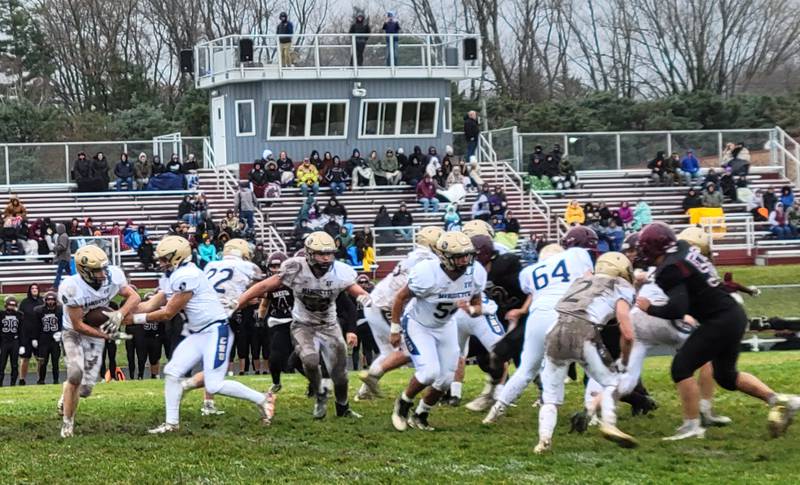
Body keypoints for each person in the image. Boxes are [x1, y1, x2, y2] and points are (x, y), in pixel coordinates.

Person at [635, 222, 800, 440]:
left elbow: (677, 308)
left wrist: (650, 308)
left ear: (653, 248)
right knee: (726, 376)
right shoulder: (683, 249)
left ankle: (692, 426)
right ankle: (778, 400)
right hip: (733, 314)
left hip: (718, 320)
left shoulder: (670, 268)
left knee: (681, 367)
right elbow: (689, 277)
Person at [127, 236, 273, 434]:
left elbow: (168, 313)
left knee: (214, 384)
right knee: (172, 371)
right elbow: (148, 305)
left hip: (215, 331)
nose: (161, 262)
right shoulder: (175, 275)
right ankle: (171, 424)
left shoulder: (189, 275)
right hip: (199, 332)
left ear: (178, 257)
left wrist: (134, 319)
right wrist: (120, 313)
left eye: (165, 258)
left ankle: (263, 399)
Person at [236, 232, 371, 419]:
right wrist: (238, 302)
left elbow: (357, 292)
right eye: (320, 253)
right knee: (309, 359)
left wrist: (369, 301)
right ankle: (320, 394)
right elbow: (264, 287)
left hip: (329, 325)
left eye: (329, 253)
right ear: (308, 253)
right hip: (303, 324)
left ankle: (343, 407)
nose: (326, 258)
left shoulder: (340, 271)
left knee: (340, 375)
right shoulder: (295, 268)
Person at [483, 227, 597, 425]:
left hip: (537, 316)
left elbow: (533, 294)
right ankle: (591, 414)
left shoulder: (530, 271)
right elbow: (589, 282)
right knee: (593, 365)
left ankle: (495, 410)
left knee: (526, 369)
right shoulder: (577, 256)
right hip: (562, 314)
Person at [535, 252, 638, 453]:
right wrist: (626, 356)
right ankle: (608, 423)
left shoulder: (580, 280)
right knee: (613, 382)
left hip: (554, 329)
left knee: (550, 397)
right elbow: (626, 329)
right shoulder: (620, 286)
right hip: (582, 330)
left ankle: (544, 440)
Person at [389, 231, 486, 431]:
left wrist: (471, 310)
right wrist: (395, 329)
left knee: (446, 379)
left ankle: (421, 414)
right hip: (419, 324)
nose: (465, 261)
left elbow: (477, 305)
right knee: (428, 373)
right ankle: (403, 402)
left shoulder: (474, 272)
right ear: (444, 257)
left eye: (467, 255)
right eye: (459, 256)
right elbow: (400, 298)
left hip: (446, 325)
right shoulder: (427, 273)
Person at [57, 245, 141, 437]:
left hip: (96, 329)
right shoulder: (71, 287)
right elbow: (78, 324)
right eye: (97, 270)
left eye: (104, 268)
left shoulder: (113, 275)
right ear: (84, 270)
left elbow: (134, 296)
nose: (103, 273)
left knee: (85, 390)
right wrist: (106, 335)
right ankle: (67, 424)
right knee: (75, 374)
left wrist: (119, 314)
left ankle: (66, 393)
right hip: (74, 332)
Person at [356, 227, 443, 401]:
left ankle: (364, 393)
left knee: (387, 352)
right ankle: (372, 376)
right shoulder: (429, 259)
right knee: (408, 349)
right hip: (386, 306)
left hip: (376, 303)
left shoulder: (415, 255)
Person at [200, 239, 265, 414]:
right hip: (219, 317)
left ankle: (208, 402)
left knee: (210, 362)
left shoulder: (210, 265)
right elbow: (259, 287)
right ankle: (262, 399)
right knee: (214, 368)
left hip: (204, 314)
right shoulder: (247, 267)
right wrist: (248, 299)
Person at [260, 251, 294, 392]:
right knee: (274, 357)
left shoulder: (294, 282)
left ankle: (314, 383)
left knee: (300, 359)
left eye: (278, 266)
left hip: (297, 322)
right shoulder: (270, 285)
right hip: (279, 323)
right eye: (273, 266)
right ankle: (276, 382)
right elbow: (264, 304)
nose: (276, 269)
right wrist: (260, 318)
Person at [34, 291, 62, 384]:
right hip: (44, 339)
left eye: (52, 299)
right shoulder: (39, 310)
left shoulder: (60, 310)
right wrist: (35, 338)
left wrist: (61, 333)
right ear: (45, 300)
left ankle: (56, 380)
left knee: (55, 362)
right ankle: (41, 380)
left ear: (55, 300)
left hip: (55, 340)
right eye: (48, 299)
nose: (50, 301)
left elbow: (64, 323)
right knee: (43, 362)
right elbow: (36, 326)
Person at [18, 284, 43, 386]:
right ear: (29, 290)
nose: (34, 290)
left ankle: (40, 379)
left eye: (36, 288)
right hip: (26, 335)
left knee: (40, 359)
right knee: (25, 359)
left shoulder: (42, 301)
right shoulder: (24, 302)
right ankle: (22, 379)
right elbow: (19, 318)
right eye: (32, 288)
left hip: (39, 335)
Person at [0, 297, 22, 386]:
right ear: (6, 305)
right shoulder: (1, 314)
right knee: (1, 364)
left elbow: (22, 330)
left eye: (13, 305)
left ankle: (13, 384)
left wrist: (22, 344)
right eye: (10, 304)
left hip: (14, 341)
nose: (11, 306)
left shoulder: (19, 315)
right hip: (3, 341)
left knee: (14, 364)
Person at [52, 223, 71, 289]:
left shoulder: (63, 236)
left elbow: (63, 246)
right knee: (69, 272)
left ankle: (55, 286)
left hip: (63, 257)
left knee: (59, 272)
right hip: (65, 257)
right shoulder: (64, 235)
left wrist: (55, 248)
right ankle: (75, 282)